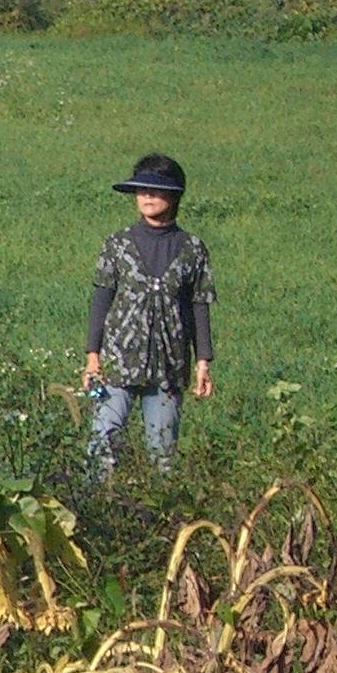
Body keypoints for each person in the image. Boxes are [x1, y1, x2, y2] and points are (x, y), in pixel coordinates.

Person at [85, 153, 214, 473]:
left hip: (169, 366)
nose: (146, 197)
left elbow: (199, 305)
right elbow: (101, 299)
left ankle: (162, 517)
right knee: (103, 442)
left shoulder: (192, 248)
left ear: (173, 196)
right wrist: (92, 356)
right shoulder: (117, 244)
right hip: (118, 363)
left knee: (163, 451)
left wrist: (202, 363)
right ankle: (93, 512)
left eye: (154, 191)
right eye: (141, 190)